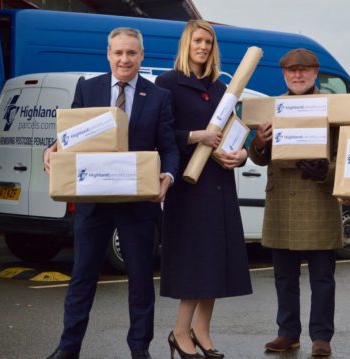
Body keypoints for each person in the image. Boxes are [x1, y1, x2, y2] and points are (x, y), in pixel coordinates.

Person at [43, 27, 179, 359]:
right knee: (82, 278)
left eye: (131, 53)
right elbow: (70, 136)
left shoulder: (158, 95)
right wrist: (53, 147)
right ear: (108, 54)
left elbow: (170, 148)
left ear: (141, 56)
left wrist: (169, 177)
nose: (124, 59)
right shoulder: (88, 88)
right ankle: (68, 348)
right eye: (118, 52)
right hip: (93, 200)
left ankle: (139, 350)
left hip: (138, 203)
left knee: (141, 281)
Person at [155, 20, 252, 359]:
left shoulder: (221, 89)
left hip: (220, 183)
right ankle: (180, 331)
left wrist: (239, 155)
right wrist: (196, 136)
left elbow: (234, 133)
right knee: (195, 262)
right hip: (188, 186)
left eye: (209, 43)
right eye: (198, 41)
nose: (203, 47)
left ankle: (202, 331)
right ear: (187, 44)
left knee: (215, 261)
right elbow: (162, 134)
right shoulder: (167, 84)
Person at [249, 48, 342, 358]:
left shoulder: (335, 109)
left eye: (304, 70)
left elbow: (345, 158)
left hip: (318, 198)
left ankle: (321, 336)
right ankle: (287, 332)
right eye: (292, 71)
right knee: (284, 275)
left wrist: (325, 171)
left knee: (322, 277)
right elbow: (258, 158)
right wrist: (259, 143)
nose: (298, 75)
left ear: (316, 74)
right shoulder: (271, 108)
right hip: (281, 203)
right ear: (285, 75)